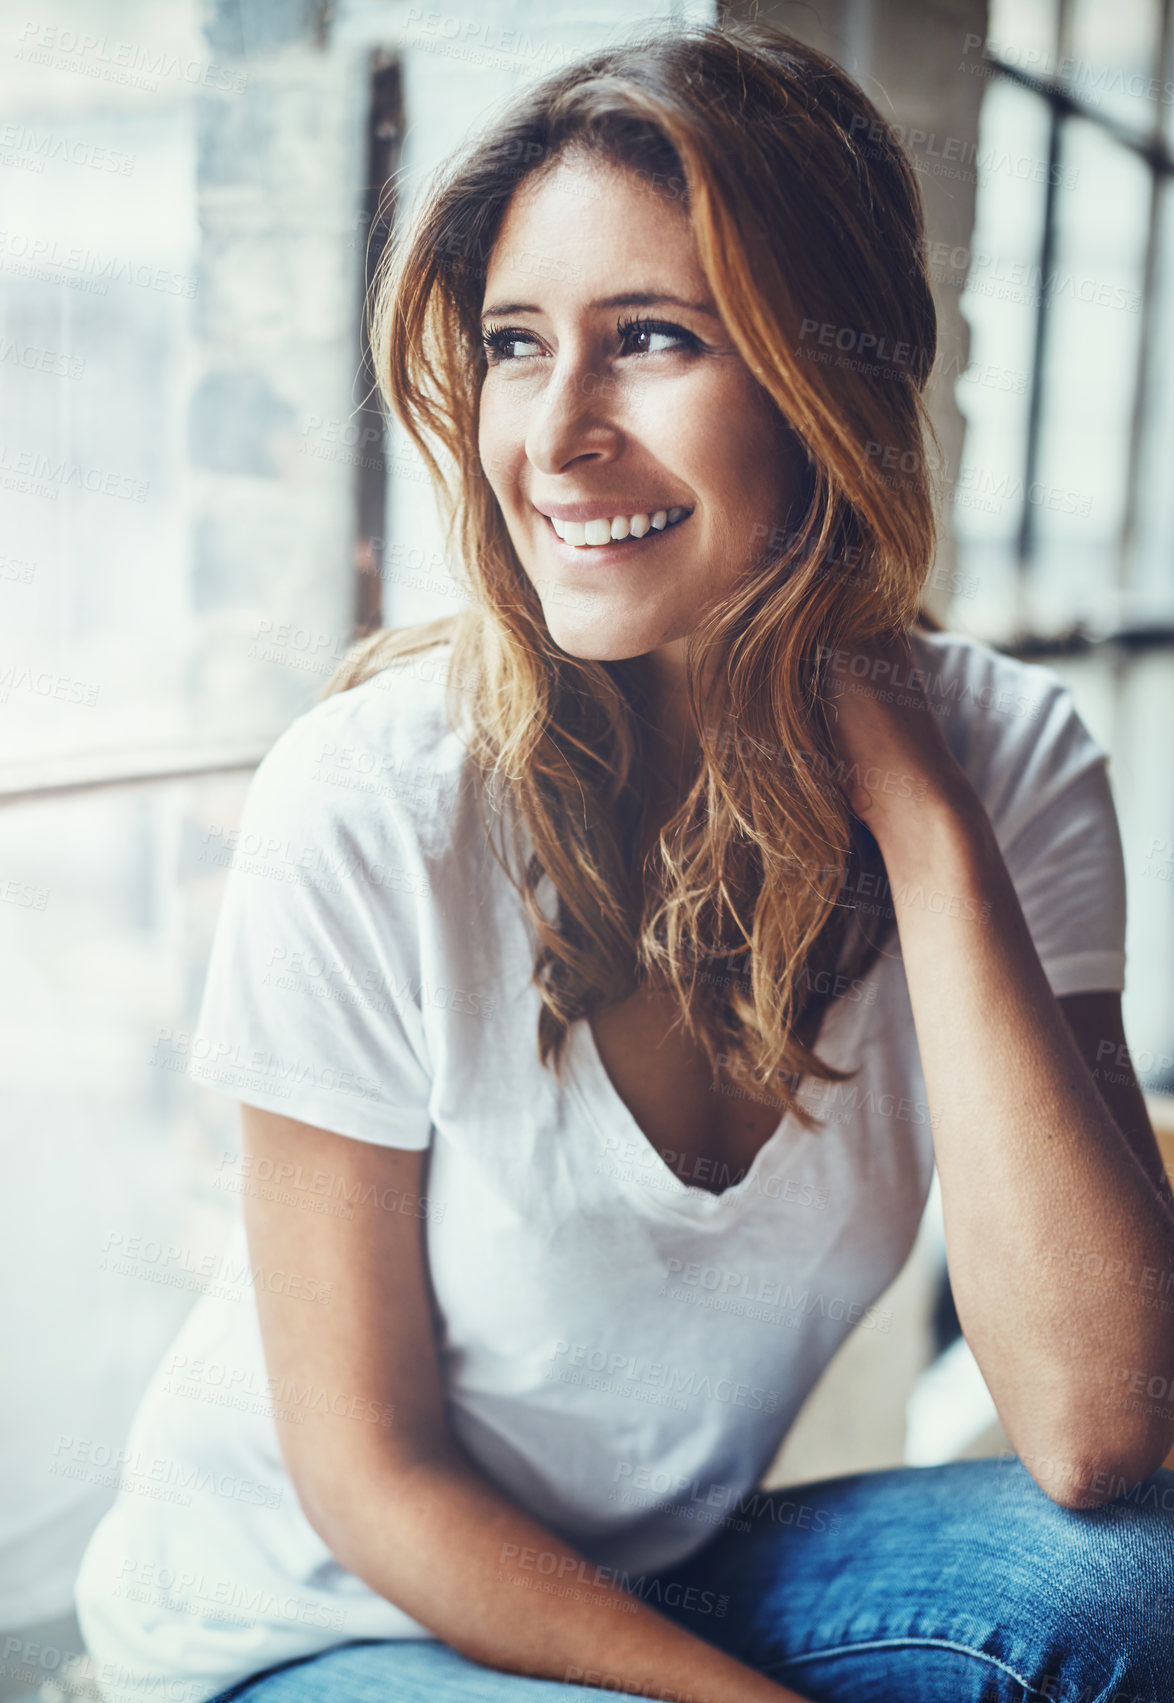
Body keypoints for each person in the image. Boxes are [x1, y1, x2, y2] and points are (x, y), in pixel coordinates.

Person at [74, 18, 1174, 1703]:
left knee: (1138, 1588)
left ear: (829, 380)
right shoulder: (373, 799)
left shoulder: (1007, 757)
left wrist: (930, 828)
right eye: (517, 346)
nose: (557, 436)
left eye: (650, 339)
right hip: (315, 1618)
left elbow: (1100, 1428)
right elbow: (370, 1476)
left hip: (664, 1569)